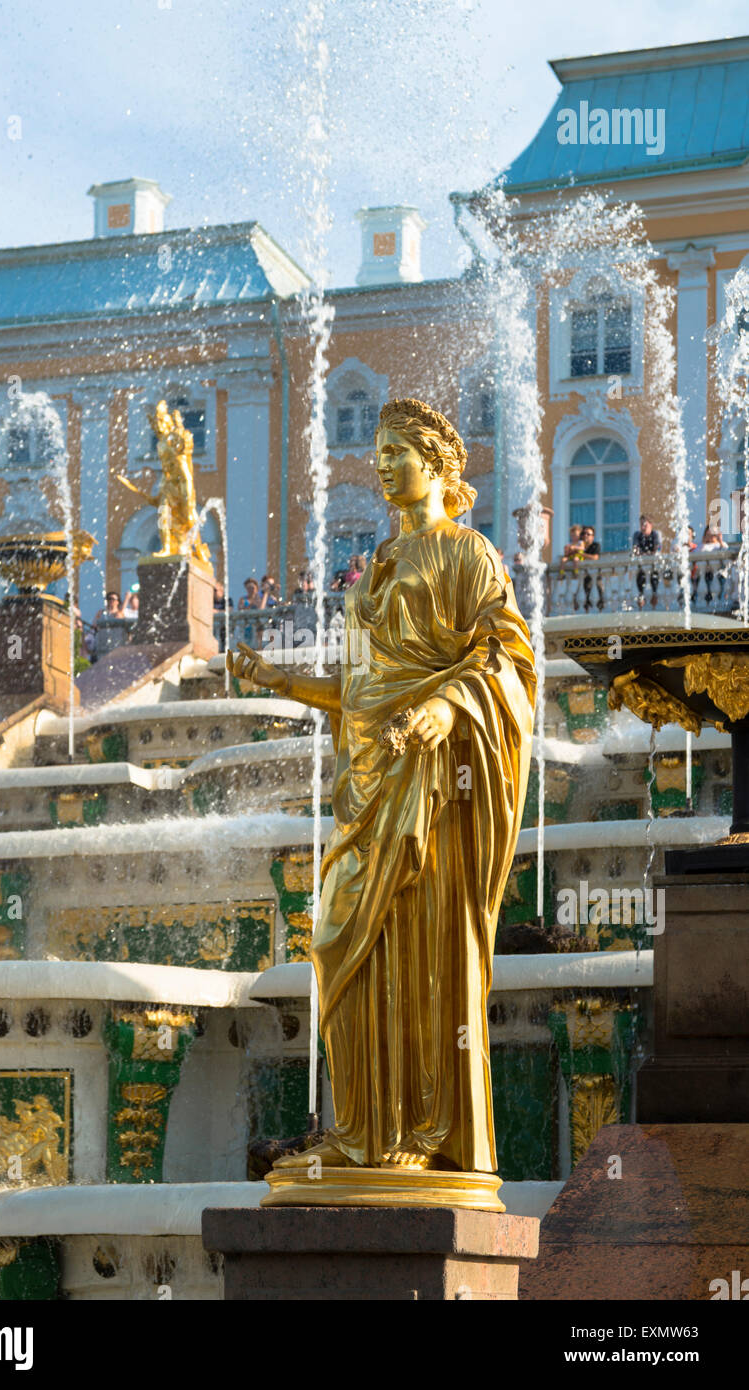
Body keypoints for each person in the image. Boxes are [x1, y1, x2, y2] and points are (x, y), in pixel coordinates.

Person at [228, 396, 534, 1180]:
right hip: (365, 786)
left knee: (422, 956)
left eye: (398, 449)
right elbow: (364, 686)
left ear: (435, 461)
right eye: (379, 450)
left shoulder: (467, 554)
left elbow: (506, 659)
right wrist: (284, 681)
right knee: (339, 952)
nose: (383, 462)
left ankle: (419, 1133)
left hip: (433, 787)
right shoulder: (372, 570)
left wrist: (443, 706)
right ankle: (361, 1132)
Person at [632, 516, 661, 607]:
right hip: (641, 565)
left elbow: (657, 549)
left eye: (645, 525)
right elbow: (635, 550)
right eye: (641, 525)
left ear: (651, 525)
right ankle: (641, 597)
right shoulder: (637, 535)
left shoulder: (655, 534)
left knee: (654, 575)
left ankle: (654, 595)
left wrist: (645, 554)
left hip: (653, 565)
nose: (643, 527)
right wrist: (645, 553)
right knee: (640, 576)